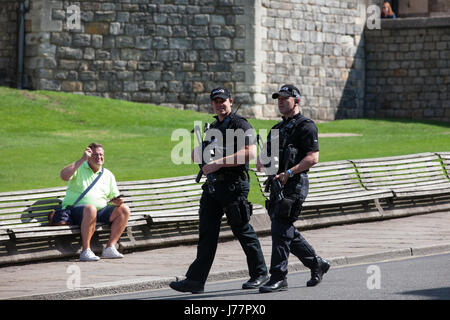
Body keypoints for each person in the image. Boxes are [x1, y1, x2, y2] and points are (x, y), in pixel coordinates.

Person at [169, 87, 268, 294]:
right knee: (207, 233)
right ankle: (195, 281)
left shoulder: (240, 124)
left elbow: (250, 153)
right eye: (215, 101)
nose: (219, 104)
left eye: (223, 100)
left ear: (231, 101)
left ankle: (260, 273)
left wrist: (218, 163)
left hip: (234, 185)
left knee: (241, 229)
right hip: (213, 186)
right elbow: (203, 155)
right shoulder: (213, 126)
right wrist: (200, 155)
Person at [257, 84, 330, 293]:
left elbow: (312, 158)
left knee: (280, 227)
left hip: (294, 184)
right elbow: (265, 155)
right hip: (277, 185)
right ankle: (316, 263)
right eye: (278, 98)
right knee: (285, 230)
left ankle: (279, 277)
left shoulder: (306, 126)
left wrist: (289, 173)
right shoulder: (277, 128)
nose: (280, 102)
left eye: (285, 98)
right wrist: (262, 162)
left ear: (296, 100)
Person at [60, 142, 130, 261]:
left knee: (124, 209)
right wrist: (82, 159)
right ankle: (85, 251)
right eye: (95, 155)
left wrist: (118, 202)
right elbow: (64, 176)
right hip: (75, 210)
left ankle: (109, 247)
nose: (99, 157)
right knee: (90, 209)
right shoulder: (79, 167)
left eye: (101, 155)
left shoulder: (108, 174)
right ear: (89, 156)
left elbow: (114, 196)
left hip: (99, 211)